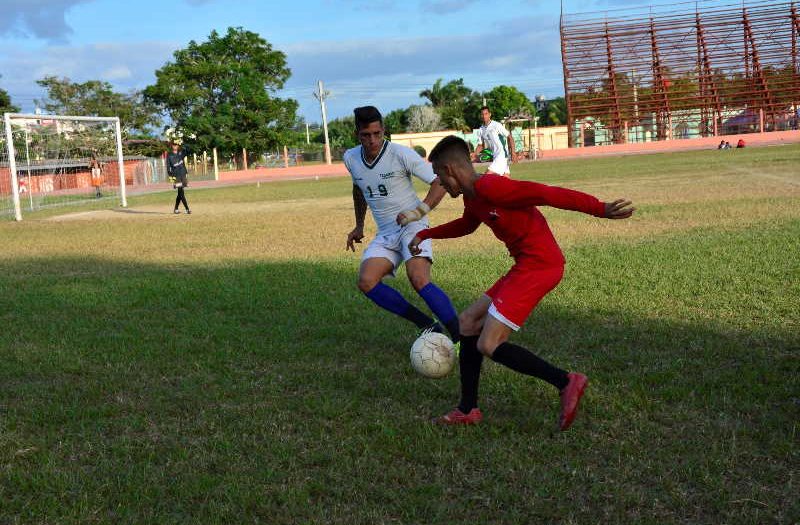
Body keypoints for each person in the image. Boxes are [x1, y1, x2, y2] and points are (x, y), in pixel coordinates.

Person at [408, 136, 635, 430]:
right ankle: (468, 409)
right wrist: (426, 235)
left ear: (450, 170)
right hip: (523, 267)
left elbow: (546, 193)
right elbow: (467, 224)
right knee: (467, 323)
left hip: (541, 267)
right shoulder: (472, 198)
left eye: (439, 175)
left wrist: (600, 208)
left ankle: (566, 381)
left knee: (489, 343)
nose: (438, 182)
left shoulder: (493, 187)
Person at [344, 106, 460, 342]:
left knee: (418, 278)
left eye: (377, 134)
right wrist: (359, 225)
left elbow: (440, 182)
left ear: (383, 130)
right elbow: (359, 188)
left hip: (412, 226)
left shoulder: (400, 154)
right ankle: (428, 325)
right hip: (386, 232)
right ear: (358, 134)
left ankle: (462, 337)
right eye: (366, 135)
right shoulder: (351, 158)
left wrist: (418, 212)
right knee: (367, 281)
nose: (372, 140)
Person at [473, 106, 516, 176]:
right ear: (480, 115)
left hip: (502, 156)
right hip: (495, 156)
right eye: (482, 114)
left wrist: (513, 153)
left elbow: (510, 137)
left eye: (486, 114)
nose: (484, 116)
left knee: (486, 177)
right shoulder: (480, 130)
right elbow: (480, 145)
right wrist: (474, 155)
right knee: (505, 182)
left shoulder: (496, 125)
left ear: (490, 114)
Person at [166, 142, 191, 214]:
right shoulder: (169, 155)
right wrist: (170, 175)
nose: (175, 146)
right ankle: (187, 209)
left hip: (183, 174)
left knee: (180, 193)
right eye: (174, 145)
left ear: (178, 145)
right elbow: (168, 166)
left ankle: (176, 209)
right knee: (181, 192)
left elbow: (188, 150)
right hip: (176, 175)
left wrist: (183, 144)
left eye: (176, 144)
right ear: (171, 146)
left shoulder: (181, 153)